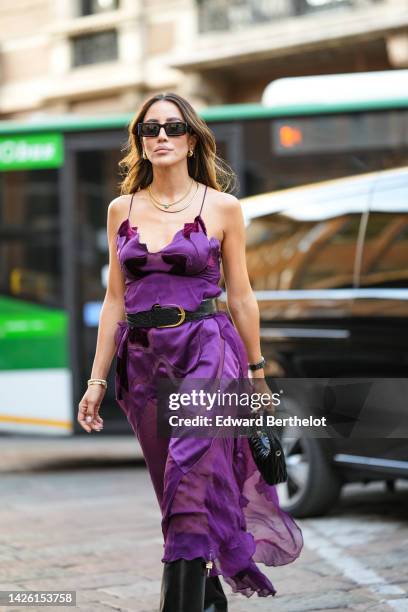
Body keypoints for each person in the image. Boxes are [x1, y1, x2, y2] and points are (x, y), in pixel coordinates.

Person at [77, 92, 303, 611]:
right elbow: (115, 300)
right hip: (143, 360)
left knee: (188, 470)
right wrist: (96, 380)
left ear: (191, 138)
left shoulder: (222, 207)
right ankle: (208, 597)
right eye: (149, 129)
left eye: (172, 128)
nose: (160, 136)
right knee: (174, 489)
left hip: (206, 351)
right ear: (140, 141)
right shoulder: (121, 209)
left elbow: (240, 295)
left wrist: (257, 372)